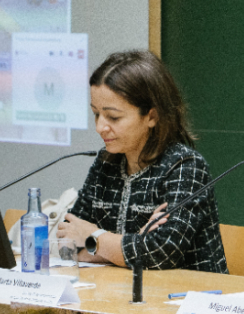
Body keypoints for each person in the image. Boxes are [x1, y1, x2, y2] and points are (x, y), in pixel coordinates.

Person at [57, 50, 227, 273]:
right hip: (120, 296)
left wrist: (94, 238)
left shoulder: (185, 166)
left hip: (186, 300)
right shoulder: (105, 164)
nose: (100, 127)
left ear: (151, 116)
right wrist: (135, 242)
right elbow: (66, 245)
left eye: (113, 117)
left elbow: (159, 255)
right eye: (96, 114)